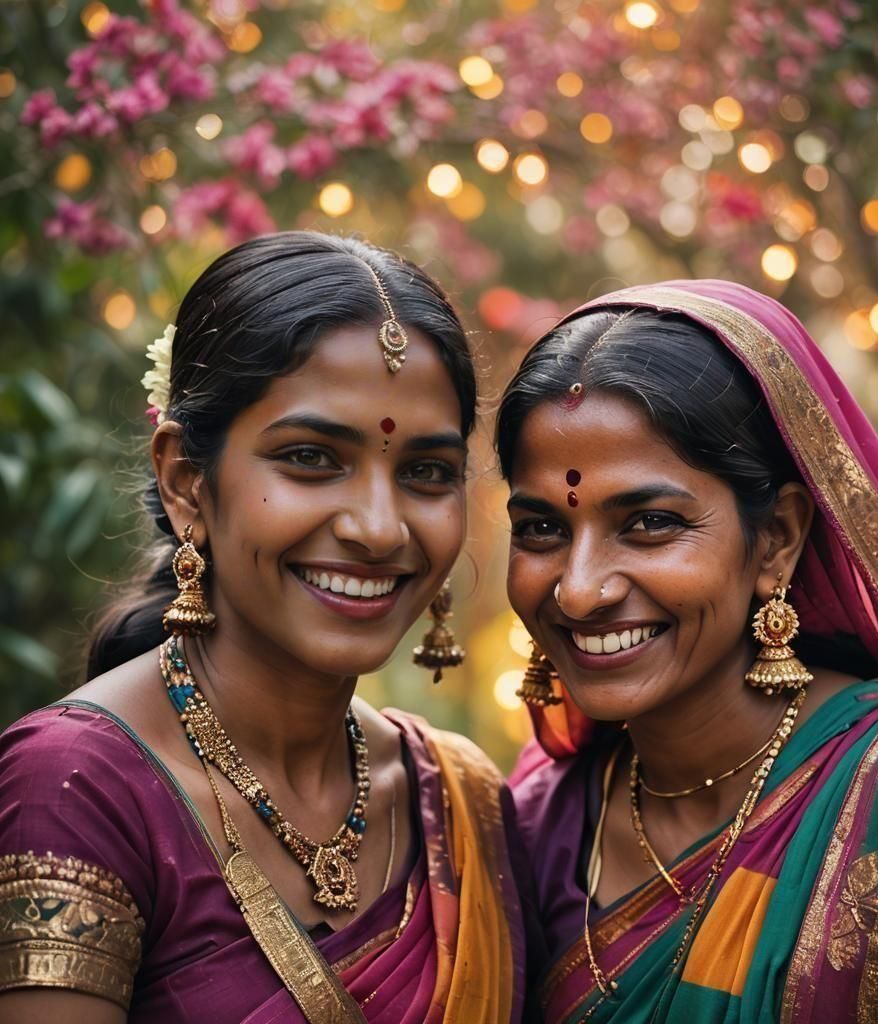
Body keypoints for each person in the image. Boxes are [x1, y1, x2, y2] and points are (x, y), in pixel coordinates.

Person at [0, 232, 530, 1023]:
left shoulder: (464, 805)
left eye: (426, 472)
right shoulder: (78, 788)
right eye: (312, 458)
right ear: (186, 482)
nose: (379, 528)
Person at [495, 279, 878, 1023]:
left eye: (649, 523)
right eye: (542, 528)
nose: (579, 592)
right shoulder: (533, 828)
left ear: (776, 538)